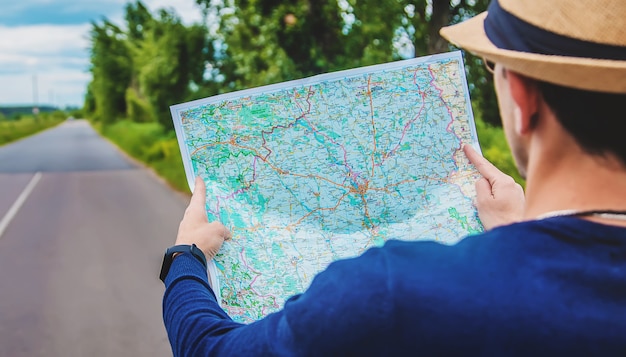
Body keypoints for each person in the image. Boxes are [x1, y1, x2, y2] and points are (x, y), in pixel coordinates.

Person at [161, 0, 626, 355]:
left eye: (494, 68)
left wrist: (187, 256)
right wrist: (516, 230)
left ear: (522, 99)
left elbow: (211, 349)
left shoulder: (391, 291)